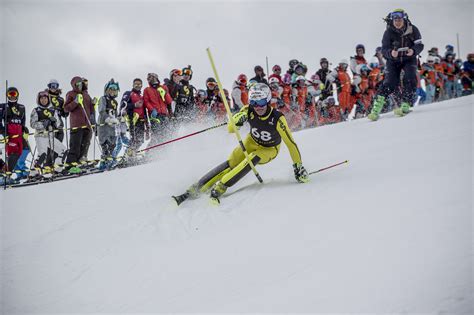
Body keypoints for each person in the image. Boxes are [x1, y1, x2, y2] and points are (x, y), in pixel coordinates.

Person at [172, 83, 309, 205]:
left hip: (269, 148)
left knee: (252, 158)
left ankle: (220, 187)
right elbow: (230, 129)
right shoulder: (248, 109)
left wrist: (298, 166)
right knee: (232, 162)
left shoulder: (277, 118)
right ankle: (196, 188)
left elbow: (291, 144)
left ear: (268, 100)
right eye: (254, 102)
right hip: (252, 141)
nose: (257, 107)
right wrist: (238, 119)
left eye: (261, 102)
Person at [368, 9, 424, 121]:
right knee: (390, 83)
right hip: (393, 60)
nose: (397, 22)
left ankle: (406, 103)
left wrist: (413, 51)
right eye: (395, 20)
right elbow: (384, 49)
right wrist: (390, 53)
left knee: (410, 77)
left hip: (409, 59)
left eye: (399, 20)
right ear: (392, 21)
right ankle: (376, 109)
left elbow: (420, 45)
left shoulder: (413, 30)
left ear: (404, 19)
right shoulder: (388, 32)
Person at [30, 90, 67, 177]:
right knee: (42, 155)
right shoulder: (36, 110)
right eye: (41, 98)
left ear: (48, 99)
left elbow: (58, 123)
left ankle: (58, 168)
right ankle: (33, 173)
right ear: (39, 100)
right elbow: (32, 124)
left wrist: (55, 123)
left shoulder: (52, 110)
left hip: (50, 136)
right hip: (40, 135)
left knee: (63, 151)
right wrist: (43, 124)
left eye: (45, 98)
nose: (44, 100)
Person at [63, 76, 95, 174]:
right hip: (77, 124)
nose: (79, 86)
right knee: (75, 146)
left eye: (81, 84)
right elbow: (66, 108)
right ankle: (70, 166)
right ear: (74, 85)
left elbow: (90, 108)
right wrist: (75, 101)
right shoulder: (71, 94)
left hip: (87, 124)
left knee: (84, 145)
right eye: (77, 84)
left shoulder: (86, 95)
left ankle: (79, 164)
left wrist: (93, 105)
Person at [0, 87, 27, 184]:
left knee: (19, 153)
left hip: (19, 135)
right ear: (7, 95)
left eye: (14, 94)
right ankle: (6, 176)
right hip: (10, 135)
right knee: (12, 154)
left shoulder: (22, 107)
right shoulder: (3, 107)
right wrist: (3, 131)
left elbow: (23, 121)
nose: (12, 96)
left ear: (17, 95)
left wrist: (24, 129)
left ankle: (7, 174)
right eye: (10, 94)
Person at [143, 72, 173, 146]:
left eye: (153, 77)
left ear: (156, 78)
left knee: (166, 134)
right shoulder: (147, 90)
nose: (151, 79)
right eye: (149, 78)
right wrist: (152, 109)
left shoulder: (163, 87)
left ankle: (164, 152)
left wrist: (165, 94)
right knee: (157, 135)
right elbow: (146, 102)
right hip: (155, 116)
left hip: (164, 114)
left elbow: (169, 101)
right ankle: (149, 154)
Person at [97, 79, 120, 170]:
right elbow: (101, 110)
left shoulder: (115, 102)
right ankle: (103, 164)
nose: (113, 91)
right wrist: (107, 118)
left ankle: (110, 162)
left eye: (115, 89)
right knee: (105, 144)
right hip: (104, 124)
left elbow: (116, 113)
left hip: (112, 126)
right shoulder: (103, 99)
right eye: (111, 89)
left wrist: (119, 119)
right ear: (106, 90)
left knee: (112, 145)